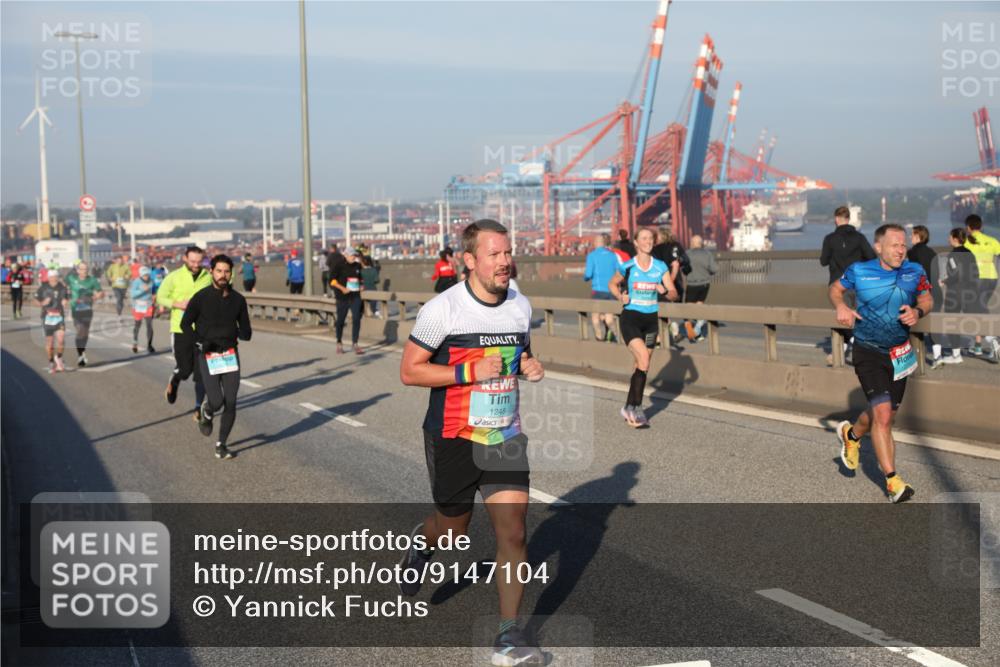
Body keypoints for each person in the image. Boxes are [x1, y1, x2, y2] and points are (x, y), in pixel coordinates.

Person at [398, 219, 545, 666]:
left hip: (503, 434)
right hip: (453, 437)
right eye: (495, 255)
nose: (505, 263)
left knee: (514, 530)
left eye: (507, 253)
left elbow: (520, 353)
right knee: (452, 530)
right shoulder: (443, 310)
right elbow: (410, 371)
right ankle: (423, 544)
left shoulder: (520, 303)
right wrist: (466, 372)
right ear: (469, 260)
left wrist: (529, 366)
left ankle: (507, 634)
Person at [831, 224, 932, 504]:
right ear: (878, 247)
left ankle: (851, 435)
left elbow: (926, 297)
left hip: (900, 354)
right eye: (895, 245)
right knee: (884, 416)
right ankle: (892, 482)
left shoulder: (915, 271)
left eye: (903, 245)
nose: (901, 250)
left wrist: (918, 310)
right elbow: (835, 289)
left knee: (884, 415)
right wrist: (840, 306)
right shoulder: (859, 271)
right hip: (868, 351)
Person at [184, 254, 252, 461]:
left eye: (227, 272)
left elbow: (246, 330)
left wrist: (242, 333)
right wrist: (198, 341)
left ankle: (221, 444)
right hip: (208, 354)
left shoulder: (238, 300)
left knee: (231, 402)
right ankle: (207, 408)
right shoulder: (201, 297)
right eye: (219, 271)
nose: (223, 275)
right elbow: (185, 324)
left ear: (231, 274)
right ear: (212, 272)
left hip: (230, 354)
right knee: (217, 401)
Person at [609, 227, 679, 427]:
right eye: (644, 238)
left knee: (642, 365)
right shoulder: (628, 266)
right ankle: (637, 409)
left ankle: (629, 407)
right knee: (644, 358)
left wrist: (664, 290)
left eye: (650, 238)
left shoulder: (660, 267)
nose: (648, 241)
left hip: (650, 321)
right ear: (636, 243)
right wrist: (620, 296)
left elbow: (673, 294)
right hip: (631, 318)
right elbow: (612, 284)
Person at [157, 246, 212, 422]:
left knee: (202, 372)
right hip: (180, 329)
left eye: (199, 261)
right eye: (193, 261)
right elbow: (160, 297)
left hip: (202, 330)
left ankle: (198, 408)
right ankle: (175, 379)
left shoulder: (207, 277)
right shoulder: (174, 277)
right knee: (185, 369)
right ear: (185, 259)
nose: (196, 265)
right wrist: (177, 303)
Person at [820, 206, 877, 364]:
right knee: (854, 316)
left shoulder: (830, 239)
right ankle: (842, 351)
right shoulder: (859, 238)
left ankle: (858, 347)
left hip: (838, 285)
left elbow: (823, 261)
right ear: (848, 218)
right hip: (857, 284)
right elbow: (871, 257)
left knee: (844, 317)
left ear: (836, 219)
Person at [938, 228, 980, 366]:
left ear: (955, 239)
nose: (948, 239)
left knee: (952, 322)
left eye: (950, 237)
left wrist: (944, 281)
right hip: (970, 292)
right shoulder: (970, 253)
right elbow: (975, 273)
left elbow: (956, 274)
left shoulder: (952, 255)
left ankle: (956, 355)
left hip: (955, 294)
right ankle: (992, 340)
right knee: (977, 320)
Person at [964, 214, 1000, 360]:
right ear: (981, 226)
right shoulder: (992, 241)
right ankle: (978, 346)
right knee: (980, 307)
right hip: (991, 278)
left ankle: (992, 339)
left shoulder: (966, 242)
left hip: (975, 279)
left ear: (968, 228)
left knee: (974, 309)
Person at [906, 225, 942, 365]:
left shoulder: (913, 252)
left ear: (919, 236)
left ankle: (915, 356)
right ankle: (938, 356)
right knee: (934, 325)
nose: (910, 237)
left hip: (921, 293)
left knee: (915, 324)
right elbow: (937, 273)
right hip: (936, 291)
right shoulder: (933, 253)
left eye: (912, 235)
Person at [652, 228, 687, 343]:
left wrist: (669, 281)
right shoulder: (677, 245)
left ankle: (666, 335)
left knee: (660, 309)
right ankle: (691, 333)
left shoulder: (656, 249)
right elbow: (685, 261)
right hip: (678, 282)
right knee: (683, 310)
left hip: (664, 282)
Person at [65, 262, 104, 368]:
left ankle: (82, 352)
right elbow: (62, 285)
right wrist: (65, 296)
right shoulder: (71, 278)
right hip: (75, 309)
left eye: (86, 269)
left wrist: (95, 297)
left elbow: (101, 292)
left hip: (87, 310)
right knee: (80, 330)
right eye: (82, 269)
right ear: (78, 270)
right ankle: (80, 355)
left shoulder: (92, 280)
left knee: (85, 334)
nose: (84, 271)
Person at [583, 233, 620, 342]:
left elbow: (588, 274)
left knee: (595, 317)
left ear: (597, 243)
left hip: (598, 290)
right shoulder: (613, 255)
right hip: (612, 290)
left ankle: (599, 339)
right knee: (609, 318)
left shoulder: (592, 256)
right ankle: (616, 336)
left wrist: (585, 278)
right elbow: (619, 271)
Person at [683, 234, 717, 342]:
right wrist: (706, 273)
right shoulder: (707, 254)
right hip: (704, 285)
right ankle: (697, 331)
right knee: (699, 306)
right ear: (701, 244)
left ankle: (690, 330)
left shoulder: (687, 254)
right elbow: (714, 269)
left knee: (687, 310)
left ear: (692, 243)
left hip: (692, 284)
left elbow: (684, 269)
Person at [34, 270, 70, 373]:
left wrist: (65, 301)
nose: (54, 279)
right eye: (53, 277)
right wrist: (42, 303)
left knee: (61, 339)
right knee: (49, 344)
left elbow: (66, 298)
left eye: (56, 277)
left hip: (59, 317)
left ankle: (58, 357)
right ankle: (51, 362)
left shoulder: (62, 288)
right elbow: (35, 300)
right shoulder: (43, 288)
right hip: (47, 318)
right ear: (49, 278)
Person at [330, 248, 365, 354]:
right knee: (341, 320)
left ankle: (355, 343)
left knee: (356, 318)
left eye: (354, 255)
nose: (353, 257)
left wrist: (362, 286)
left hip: (355, 296)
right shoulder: (338, 265)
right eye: (351, 255)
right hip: (342, 297)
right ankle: (339, 343)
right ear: (345, 255)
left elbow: (360, 278)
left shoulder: (357, 266)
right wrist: (342, 289)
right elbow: (332, 281)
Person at [129, 266, 156, 354]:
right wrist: (142, 290)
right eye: (144, 275)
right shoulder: (136, 282)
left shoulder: (152, 281)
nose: (146, 276)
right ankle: (135, 343)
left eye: (147, 275)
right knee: (138, 325)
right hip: (138, 306)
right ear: (141, 275)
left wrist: (155, 296)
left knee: (149, 325)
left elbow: (154, 291)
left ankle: (149, 345)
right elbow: (133, 295)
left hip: (148, 305)